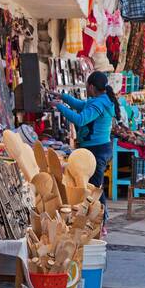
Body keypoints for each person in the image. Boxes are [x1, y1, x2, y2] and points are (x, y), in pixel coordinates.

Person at [55, 72, 121, 203]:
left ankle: (101, 220)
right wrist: (62, 97)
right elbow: (81, 105)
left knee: (94, 190)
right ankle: (96, 220)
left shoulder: (100, 104)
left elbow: (80, 120)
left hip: (97, 150)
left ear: (91, 87)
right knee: (92, 188)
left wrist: (58, 106)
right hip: (96, 148)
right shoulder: (98, 100)